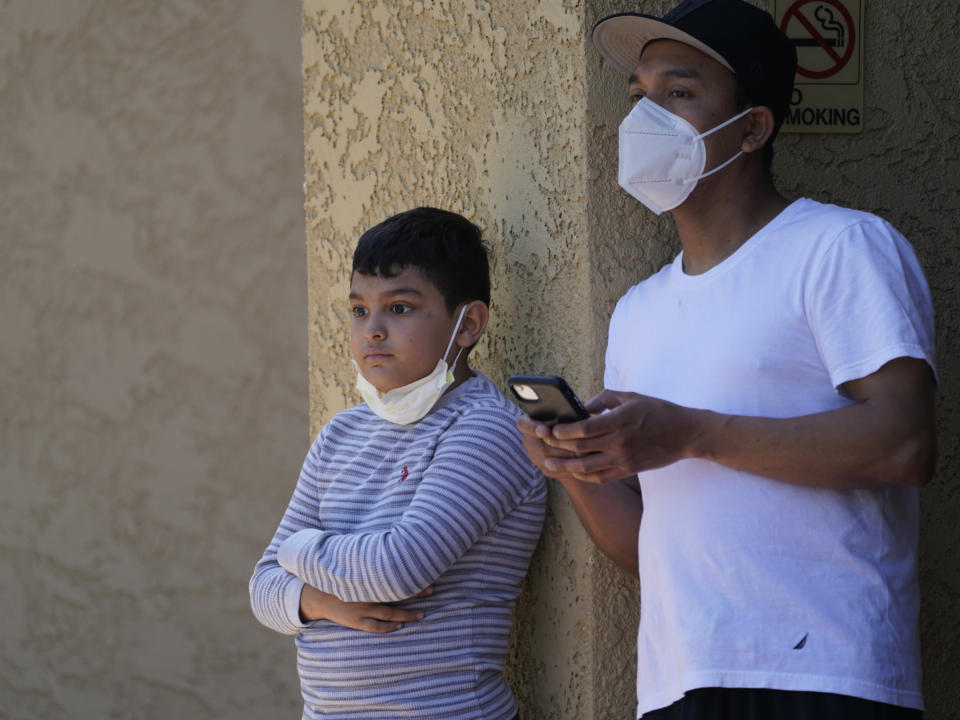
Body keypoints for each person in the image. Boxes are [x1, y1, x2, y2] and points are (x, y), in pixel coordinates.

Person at [517, 1, 937, 718]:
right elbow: (649, 542)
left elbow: (904, 444)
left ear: (752, 128)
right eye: (640, 97)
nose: (647, 118)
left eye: (679, 93)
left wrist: (692, 433)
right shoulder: (638, 311)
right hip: (682, 679)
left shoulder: (840, 248)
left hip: (829, 674)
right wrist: (572, 468)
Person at [250, 207, 546, 720]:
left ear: (468, 324)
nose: (374, 331)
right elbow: (261, 587)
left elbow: (397, 567)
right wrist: (322, 603)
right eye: (359, 310)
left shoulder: (485, 429)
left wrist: (296, 550)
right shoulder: (341, 433)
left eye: (401, 308)